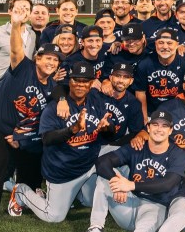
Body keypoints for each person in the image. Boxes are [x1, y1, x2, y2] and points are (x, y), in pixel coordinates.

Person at [0, 7, 60, 219]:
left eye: (56, 60)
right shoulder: (23, 67)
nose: (51, 62)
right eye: (47, 58)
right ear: (37, 58)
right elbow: (16, 50)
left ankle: (25, 195)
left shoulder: (51, 87)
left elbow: (36, 118)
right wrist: (17, 25)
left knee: (32, 150)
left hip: (10, 127)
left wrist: (20, 136)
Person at [81, 109, 185, 232]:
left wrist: (130, 185)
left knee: (147, 224)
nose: (159, 129)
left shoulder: (178, 154)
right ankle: (96, 229)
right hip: (128, 202)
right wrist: (116, 182)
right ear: (148, 127)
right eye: (155, 124)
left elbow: (168, 183)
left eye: (164, 126)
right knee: (105, 178)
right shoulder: (137, 147)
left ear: (170, 130)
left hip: (155, 206)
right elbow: (102, 162)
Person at [9, 61, 115, 221]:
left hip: (89, 165)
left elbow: (110, 133)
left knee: (90, 198)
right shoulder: (54, 108)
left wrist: (108, 128)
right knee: (53, 216)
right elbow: (47, 139)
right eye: (76, 80)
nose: (80, 85)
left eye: (85, 81)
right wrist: (72, 129)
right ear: (69, 81)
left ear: (91, 83)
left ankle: (76, 195)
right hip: (63, 172)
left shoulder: (95, 100)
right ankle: (20, 192)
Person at [133, 29, 185, 121]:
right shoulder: (145, 63)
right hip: (152, 113)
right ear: (155, 44)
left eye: (169, 43)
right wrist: (144, 119)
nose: (165, 46)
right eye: (161, 43)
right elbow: (140, 92)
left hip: (179, 113)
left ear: (177, 45)